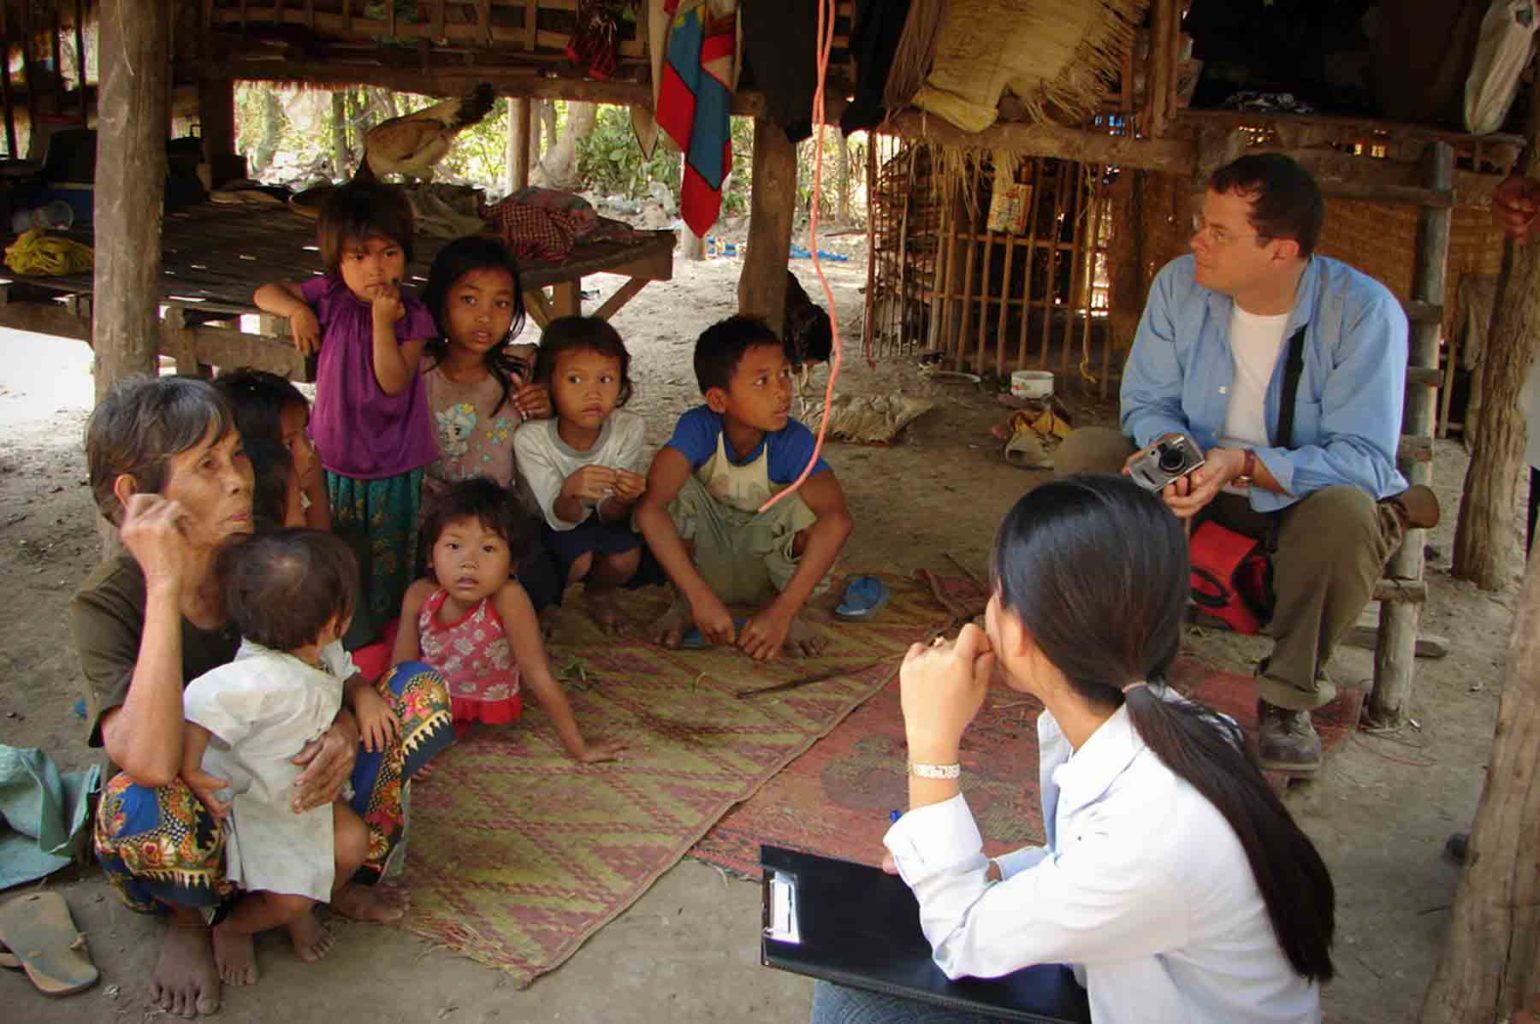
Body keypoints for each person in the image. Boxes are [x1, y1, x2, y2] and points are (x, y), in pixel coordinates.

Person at [812, 475, 1335, 1024]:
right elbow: (1079, 864)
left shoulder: (1155, 828)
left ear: (1020, 634)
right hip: (1133, 987)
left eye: (997, 594)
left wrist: (930, 742)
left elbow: (964, 938)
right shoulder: (1175, 724)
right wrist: (990, 872)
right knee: (859, 976)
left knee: (851, 1007)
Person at [72, 376, 452, 1019]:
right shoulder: (107, 604)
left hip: (290, 792)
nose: (238, 480)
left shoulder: (267, 553)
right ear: (136, 500)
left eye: (236, 453)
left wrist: (337, 726)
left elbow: (330, 658)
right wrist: (163, 585)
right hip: (200, 828)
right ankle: (193, 923)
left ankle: (340, 882)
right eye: (206, 466)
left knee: (416, 694)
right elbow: (152, 760)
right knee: (136, 794)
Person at [1056, 152, 1438, 775]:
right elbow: (1147, 401)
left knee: (1347, 516)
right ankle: (1122, 662)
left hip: (1292, 497)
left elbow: (1364, 460)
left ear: (1280, 251)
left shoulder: (1362, 313)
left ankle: (1288, 698)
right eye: (1202, 224)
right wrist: (1178, 464)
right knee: (1086, 462)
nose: (1197, 241)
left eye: (1220, 234)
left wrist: (1240, 466)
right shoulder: (1180, 284)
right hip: (1194, 466)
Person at [181, 530, 381, 978]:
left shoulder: (320, 646)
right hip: (262, 810)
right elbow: (198, 701)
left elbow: (343, 669)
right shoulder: (257, 679)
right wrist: (192, 769)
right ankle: (235, 929)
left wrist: (363, 694)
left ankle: (303, 906)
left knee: (352, 845)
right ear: (336, 620)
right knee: (290, 896)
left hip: (305, 798)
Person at [253, 181, 439, 646]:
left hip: (394, 462)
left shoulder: (411, 315)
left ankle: (387, 639)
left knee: (390, 557)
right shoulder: (330, 296)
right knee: (339, 549)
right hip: (335, 457)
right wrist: (297, 309)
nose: (375, 268)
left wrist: (381, 322)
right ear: (337, 261)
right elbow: (264, 292)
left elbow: (393, 380)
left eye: (389, 253)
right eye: (359, 256)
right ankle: (342, 634)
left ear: (405, 254)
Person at [635, 315, 852, 661]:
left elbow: (837, 520)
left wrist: (782, 611)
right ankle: (683, 605)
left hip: (765, 567)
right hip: (708, 564)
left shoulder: (792, 441)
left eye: (784, 373)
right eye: (762, 381)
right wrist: (697, 598)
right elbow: (650, 509)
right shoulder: (698, 429)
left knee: (813, 510)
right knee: (667, 492)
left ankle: (783, 610)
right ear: (719, 400)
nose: (783, 390)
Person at [390, 477, 625, 761]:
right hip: (431, 702)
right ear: (430, 556)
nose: (469, 562)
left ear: (512, 563)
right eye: (454, 546)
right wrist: (405, 741)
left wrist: (579, 747)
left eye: (488, 549)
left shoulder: (508, 599)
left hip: (484, 706)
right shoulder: (419, 596)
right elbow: (400, 672)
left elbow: (537, 672)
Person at [419, 235, 561, 610]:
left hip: (500, 520)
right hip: (435, 520)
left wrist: (547, 407)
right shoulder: (420, 370)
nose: (486, 317)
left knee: (540, 584)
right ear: (440, 300)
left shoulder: (519, 368)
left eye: (501, 303)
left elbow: (567, 424)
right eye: (469, 300)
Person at [514, 316, 649, 629]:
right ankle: (543, 603)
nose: (593, 394)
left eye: (605, 379)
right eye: (575, 380)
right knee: (578, 558)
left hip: (596, 520)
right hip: (550, 525)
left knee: (626, 557)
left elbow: (609, 513)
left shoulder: (628, 429)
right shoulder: (531, 439)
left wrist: (624, 498)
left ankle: (599, 593)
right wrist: (570, 491)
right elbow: (557, 517)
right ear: (547, 386)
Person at [212, 368, 329, 530]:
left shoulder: (307, 467)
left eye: (305, 433)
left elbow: (321, 541)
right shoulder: (238, 514)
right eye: (289, 443)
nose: (308, 452)